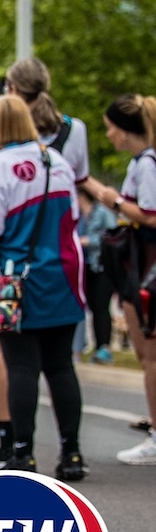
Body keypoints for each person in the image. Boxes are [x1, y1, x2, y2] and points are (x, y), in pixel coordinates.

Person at [0, 59, 91, 469]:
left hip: (15, 279)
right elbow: (71, 216)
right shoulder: (59, 163)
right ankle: (71, 451)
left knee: (21, 366)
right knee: (60, 365)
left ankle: (23, 452)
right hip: (63, 274)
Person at [93, 94, 156, 465]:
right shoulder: (143, 162)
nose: (109, 135)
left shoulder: (146, 164)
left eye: (111, 127)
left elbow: (149, 215)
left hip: (145, 265)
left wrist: (112, 200)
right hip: (143, 262)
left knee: (149, 355)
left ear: (125, 129)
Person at [74, 187, 116, 364]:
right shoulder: (79, 217)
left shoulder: (102, 213)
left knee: (101, 306)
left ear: (82, 196)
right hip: (85, 266)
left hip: (102, 266)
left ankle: (104, 347)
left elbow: (113, 235)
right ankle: (93, 346)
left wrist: (89, 241)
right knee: (89, 306)